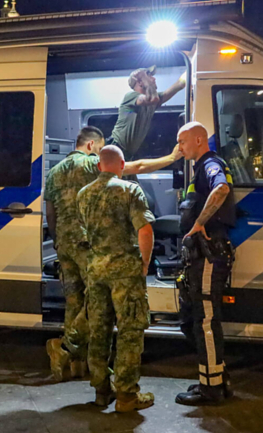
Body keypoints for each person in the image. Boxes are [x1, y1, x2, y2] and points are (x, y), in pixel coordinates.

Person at [45, 127, 181, 382]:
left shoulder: (53, 172)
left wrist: (56, 239)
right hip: (87, 244)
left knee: (74, 301)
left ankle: (74, 363)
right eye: (99, 148)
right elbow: (137, 166)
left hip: (64, 243)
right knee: (95, 302)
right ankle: (67, 349)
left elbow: (50, 211)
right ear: (91, 145)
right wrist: (171, 158)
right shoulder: (91, 164)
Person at [76, 145, 156, 411]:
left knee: (99, 330)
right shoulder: (130, 190)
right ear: (122, 165)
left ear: (99, 166)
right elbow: (144, 230)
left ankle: (101, 390)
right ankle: (126, 396)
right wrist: (144, 263)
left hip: (96, 271)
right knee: (130, 332)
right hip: (125, 273)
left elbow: (87, 232)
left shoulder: (83, 195)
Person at [173, 122, 237, 406]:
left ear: (199, 140)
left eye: (183, 141)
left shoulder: (210, 164)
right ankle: (216, 379)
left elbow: (221, 188)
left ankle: (210, 389)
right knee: (200, 319)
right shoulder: (200, 168)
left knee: (206, 320)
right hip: (203, 256)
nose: (180, 147)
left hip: (209, 254)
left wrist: (199, 224)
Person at [107, 66, 186, 160]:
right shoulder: (131, 96)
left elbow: (179, 85)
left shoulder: (152, 102)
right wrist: (145, 79)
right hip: (115, 150)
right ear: (140, 82)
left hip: (128, 154)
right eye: (149, 76)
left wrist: (191, 65)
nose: (154, 78)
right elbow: (153, 99)